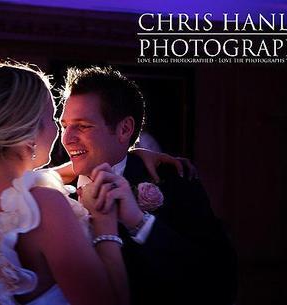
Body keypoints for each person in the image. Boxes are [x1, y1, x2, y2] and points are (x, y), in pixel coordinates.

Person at [0, 59, 131, 305]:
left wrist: (131, 154)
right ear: (28, 130)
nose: (59, 130)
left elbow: (46, 178)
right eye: (53, 117)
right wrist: (105, 225)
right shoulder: (45, 205)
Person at [60, 66, 238, 305]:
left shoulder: (174, 181)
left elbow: (220, 283)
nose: (67, 138)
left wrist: (140, 223)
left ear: (124, 129)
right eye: (64, 125)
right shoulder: (50, 189)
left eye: (82, 126)